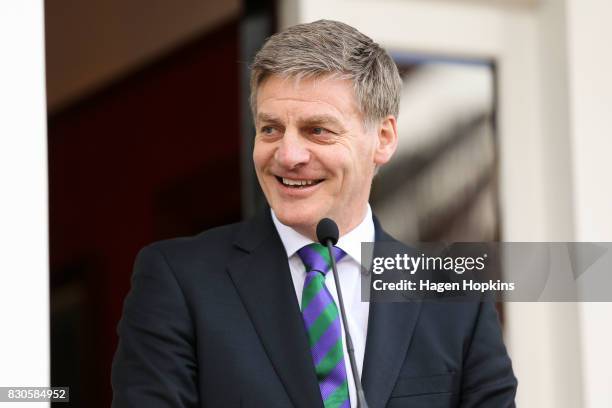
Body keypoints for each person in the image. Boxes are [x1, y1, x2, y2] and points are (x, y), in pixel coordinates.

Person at [111, 19, 517, 408]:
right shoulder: (178, 281)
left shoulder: (456, 301)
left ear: (384, 138)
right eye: (270, 129)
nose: (287, 155)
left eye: (317, 130)